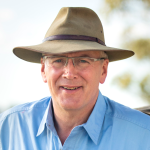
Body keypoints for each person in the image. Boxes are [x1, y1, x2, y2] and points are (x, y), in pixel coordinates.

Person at [0, 7, 150, 150]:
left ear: (103, 70)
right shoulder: (8, 128)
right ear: (43, 69)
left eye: (83, 60)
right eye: (58, 60)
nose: (69, 73)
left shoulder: (144, 135)